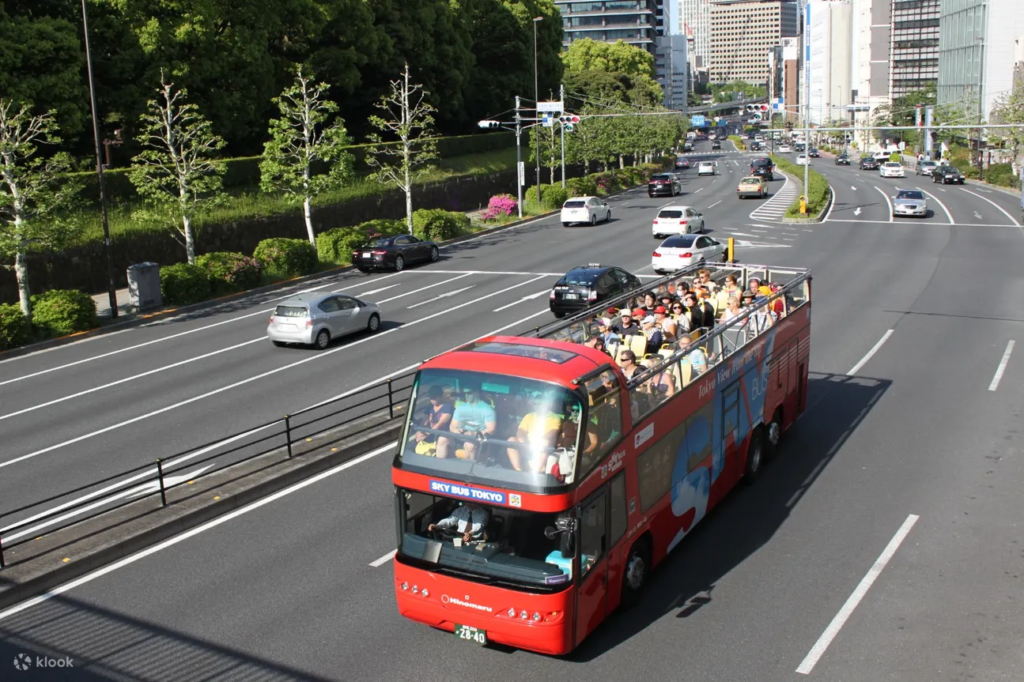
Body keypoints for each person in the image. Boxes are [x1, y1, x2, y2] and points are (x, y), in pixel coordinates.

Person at [507, 393, 564, 472]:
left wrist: (535, 444)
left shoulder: (554, 418)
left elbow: (551, 433)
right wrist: (523, 444)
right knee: (511, 440)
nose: (537, 406)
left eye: (539, 404)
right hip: (527, 445)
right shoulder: (528, 416)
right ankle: (518, 470)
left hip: (543, 447)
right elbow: (521, 431)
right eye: (535, 404)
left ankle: (535, 471)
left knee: (545, 441)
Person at [448, 383, 497, 460]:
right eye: (465, 393)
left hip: (479, 440)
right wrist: (456, 431)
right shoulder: (460, 408)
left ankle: (466, 471)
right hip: (460, 438)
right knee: (442, 440)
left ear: (476, 392)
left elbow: (491, 429)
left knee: (469, 445)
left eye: (469, 393)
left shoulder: (487, 409)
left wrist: (474, 433)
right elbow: (452, 426)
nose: (466, 395)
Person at [423, 386, 454, 458]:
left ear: (440, 396)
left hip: (445, 435)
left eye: (434, 398)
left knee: (441, 441)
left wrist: (427, 433)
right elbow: (424, 420)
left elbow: (441, 423)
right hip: (432, 435)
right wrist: (420, 431)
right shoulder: (429, 407)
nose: (432, 400)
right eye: (431, 398)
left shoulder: (447, 407)